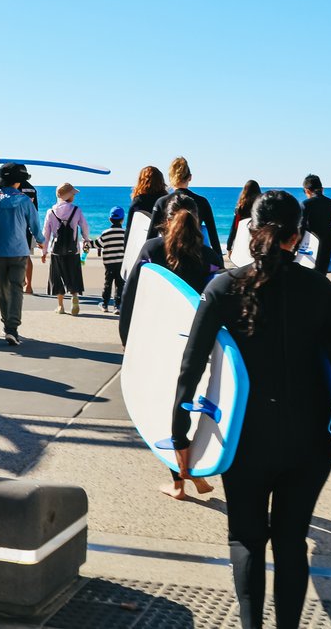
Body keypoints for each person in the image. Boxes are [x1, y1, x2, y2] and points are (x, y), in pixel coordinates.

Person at [172, 191, 331, 629]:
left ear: (250, 228)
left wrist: (179, 435)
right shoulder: (317, 288)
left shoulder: (223, 287)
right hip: (310, 440)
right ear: (298, 236)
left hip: (245, 438)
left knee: (246, 537)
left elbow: (189, 367)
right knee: (290, 541)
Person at [121, 193, 220, 499]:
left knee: (166, 408)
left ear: (165, 219)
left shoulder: (152, 249)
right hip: (198, 342)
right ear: (198, 221)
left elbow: (130, 297)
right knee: (191, 403)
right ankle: (191, 472)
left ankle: (180, 479)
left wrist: (128, 340)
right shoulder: (210, 256)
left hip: (158, 338)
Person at [0, 162, 46, 345]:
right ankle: (12, 328)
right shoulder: (25, 201)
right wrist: (41, 241)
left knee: (3, 290)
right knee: (16, 289)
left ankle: (6, 324)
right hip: (19, 251)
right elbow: (35, 225)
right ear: (19, 181)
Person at [149, 157, 223, 263]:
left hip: (168, 259)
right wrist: (220, 262)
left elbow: (151, 238)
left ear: (170, 178)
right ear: (190, 177)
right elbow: (213, 238)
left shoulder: (161, 202)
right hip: (196, 259)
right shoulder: (202, 202)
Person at [0, 157, 40, 294]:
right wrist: (38, 235)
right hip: (26, 228)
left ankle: (15, 283)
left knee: (9, 256)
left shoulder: (14, 186)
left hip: (13, 226)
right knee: (25, 255)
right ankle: (29, 285)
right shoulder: (32, 189)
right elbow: (35, 212)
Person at [42, 183, 91, 314]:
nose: (74, 196)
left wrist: (44, 251)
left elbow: (46, 234)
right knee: (73, 275)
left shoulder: (50, 212)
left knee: (57, 277)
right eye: (73, 194)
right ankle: (74, 297)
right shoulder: (76, 210)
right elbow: (85, 227)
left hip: (56, 251)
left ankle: (60, 306)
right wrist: (86, 239)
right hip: (73, 250)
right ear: (69, 196)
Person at [300, 175, 331, 277]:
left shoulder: (305, 204)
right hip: (327, 247)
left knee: (307, 279)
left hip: (309, 250)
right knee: (321, 278)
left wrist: (294, 249)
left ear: (307, 190)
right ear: (322, 189)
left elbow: (301, 228)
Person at [95, 207, 127, 311]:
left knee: (107, 283)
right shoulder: (125, 233)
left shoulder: (106, 233)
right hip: (121, 263)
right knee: (119, 285)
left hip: (109, 264)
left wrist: (88, 243)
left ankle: (104, 305)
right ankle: (117, 306)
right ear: (122, 219)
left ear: (110, 219)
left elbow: (98, 244)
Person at [226, 180, 261, 256]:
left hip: (243, 244)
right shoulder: (261, 208)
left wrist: (229, 247)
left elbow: (234, 229)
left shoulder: (240, 209)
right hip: (258, 245)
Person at [127, 165, 168, 230]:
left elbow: (129, 228)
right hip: (161, 238)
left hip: (141, 238)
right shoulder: (165, 201)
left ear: (141, 182)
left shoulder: (138, 201)